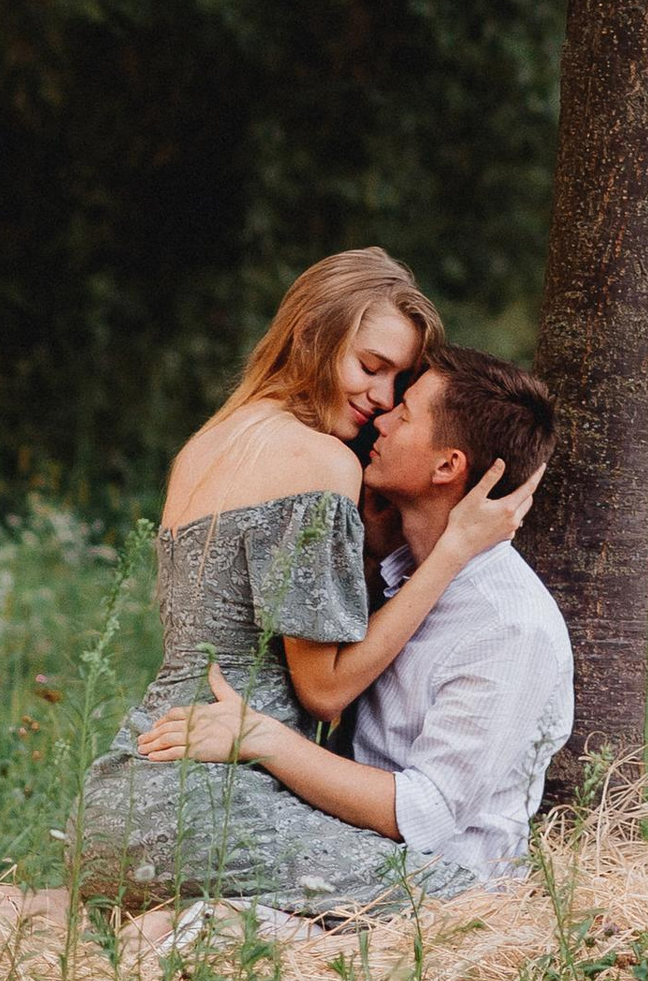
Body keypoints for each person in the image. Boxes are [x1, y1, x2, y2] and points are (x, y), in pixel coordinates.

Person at [72, 252, 541, 918]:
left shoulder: (208, 444)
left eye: (397, 379)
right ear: (310, 336)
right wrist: (455, 548)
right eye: (370, 366)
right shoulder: (319, 463)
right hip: (212, 800)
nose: (381, 398)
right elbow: (324, 690)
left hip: (126, 784)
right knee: (469, 910)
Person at [136, 344, 572, 898]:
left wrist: (264, 740)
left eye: (406, 413)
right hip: (346, 850)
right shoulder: (397, 573)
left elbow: (427, 814)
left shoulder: (508, 626)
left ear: (447, 466)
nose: (382, 417)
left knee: (194, 931)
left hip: (442, 893)